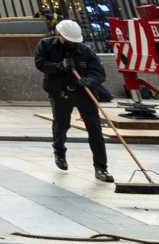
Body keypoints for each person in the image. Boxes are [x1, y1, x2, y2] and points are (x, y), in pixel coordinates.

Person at [35, 19, 113, 183]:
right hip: (60, 92)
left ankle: (101, 167)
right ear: (59, 35)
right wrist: (59, 66)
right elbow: (40, 64)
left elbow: (99, 73)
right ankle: (59, 151)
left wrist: (89, 81)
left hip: (84, 92)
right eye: (67, 40)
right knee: (62, 124)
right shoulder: (46, 45)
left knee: (95, 130)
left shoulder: (85, 51)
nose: (71, 44)